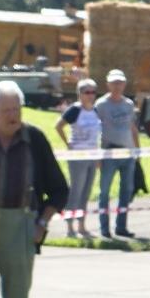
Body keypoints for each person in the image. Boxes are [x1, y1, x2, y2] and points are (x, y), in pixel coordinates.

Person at [0, 79, 68, 298]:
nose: (13, 115)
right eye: (6, 111)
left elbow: (59, 189)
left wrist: (41, 223)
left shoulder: (35, 139)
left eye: (16, 109)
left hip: (21, 226)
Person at [95, 68, 141, 238]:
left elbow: (132, 127)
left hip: (127, 153)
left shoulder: (128, 104)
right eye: (114, 83)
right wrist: (97, 155)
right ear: (108, 85)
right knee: (104, 191)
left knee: (126, 191)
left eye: (120, 83)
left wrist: (137, 150)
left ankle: (121, 227)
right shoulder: (101, 105)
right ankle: (104, 228)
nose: (117, 86)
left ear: (124, 85)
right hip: (109, 152)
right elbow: (95, 130)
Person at [55, 76, 102, 239]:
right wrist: (68, 143)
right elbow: (58, 126)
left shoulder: (96, 111)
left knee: (86, 192)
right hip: (77, 157)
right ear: (80, 94)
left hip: (92, 156)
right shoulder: (74, 110)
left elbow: (97, 136)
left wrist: (98, 157)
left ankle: (82, 226)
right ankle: (70, 228)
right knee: (76, 190)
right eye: (87, 92)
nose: (91, 95)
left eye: (93, 92)